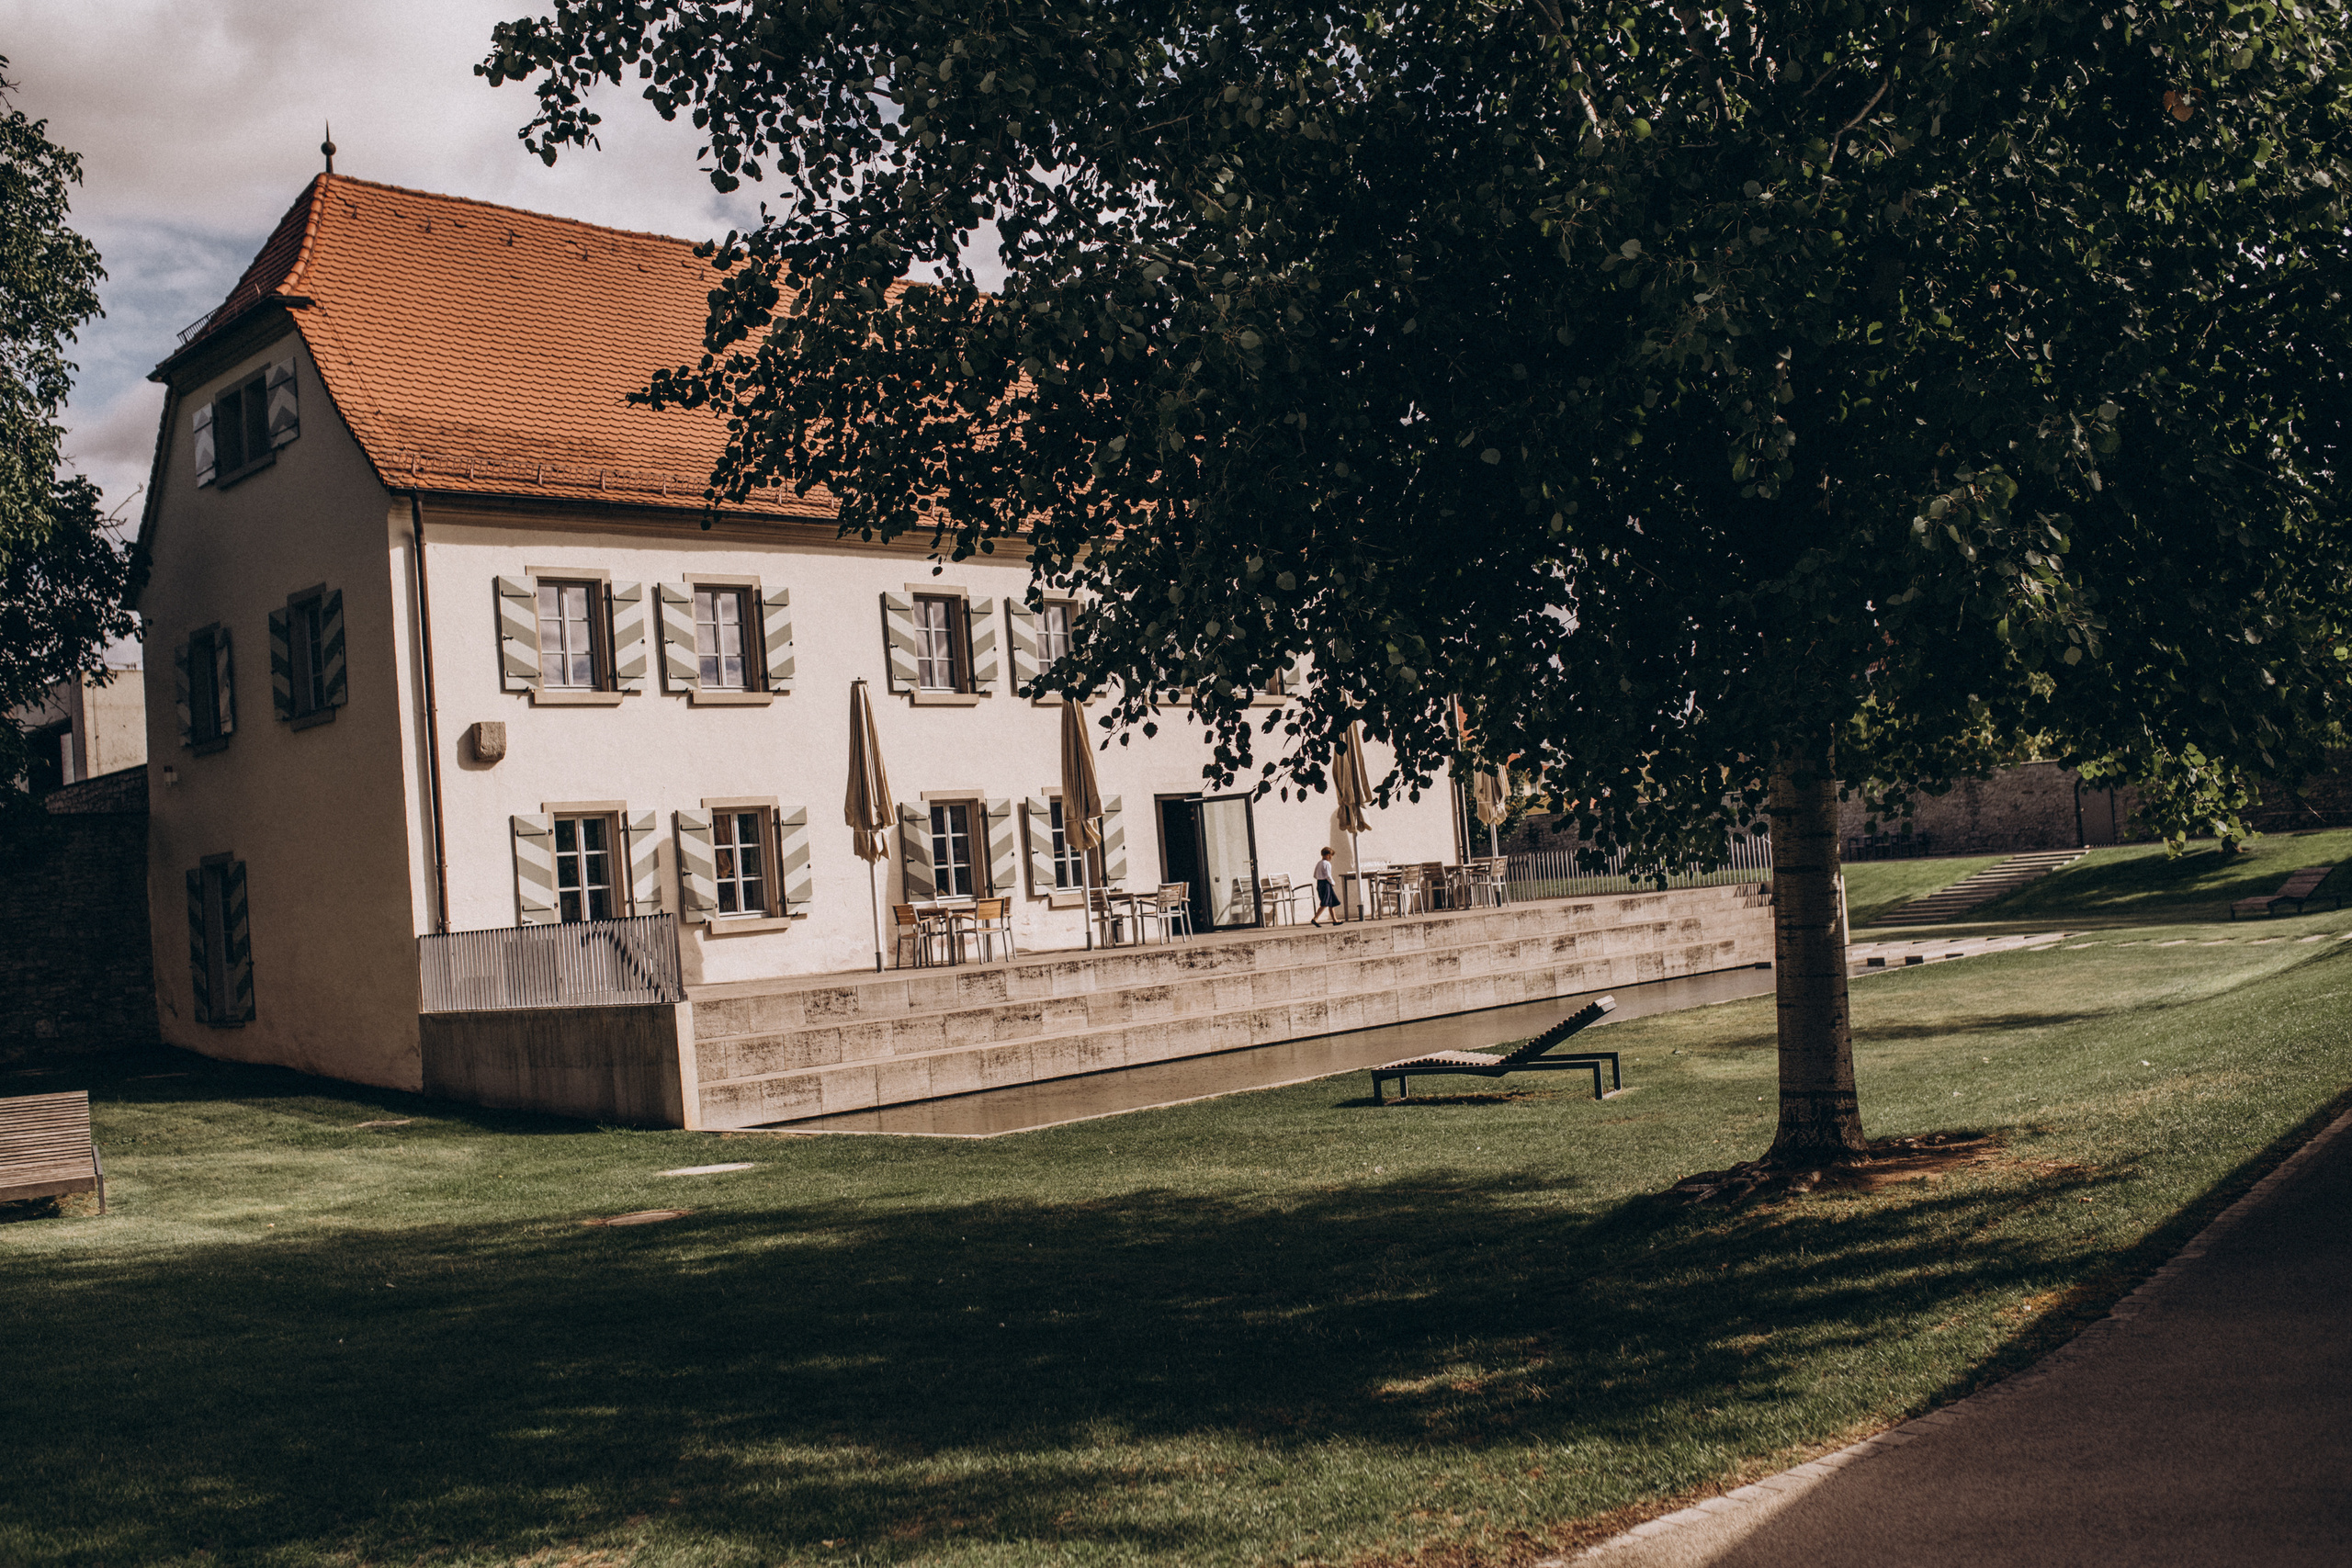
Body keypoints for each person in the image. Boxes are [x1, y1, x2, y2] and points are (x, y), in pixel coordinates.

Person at [1310, 847, 1343, 925]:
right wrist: (1332, 882)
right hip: (1326, 884)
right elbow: (1328, 875)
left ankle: (1335, 920)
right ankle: (1315, 918)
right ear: (1327, 855)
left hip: (1319, 883)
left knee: (1331, 902)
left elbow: (1315, 875)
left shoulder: (1319, 863)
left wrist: (1320, 877)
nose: (1331, 857)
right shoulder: (1327, 863)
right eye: (1330, 855)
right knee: (1325, 902)